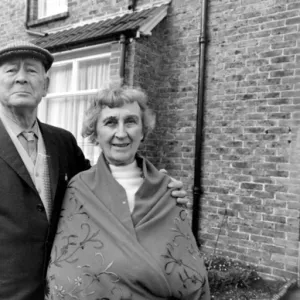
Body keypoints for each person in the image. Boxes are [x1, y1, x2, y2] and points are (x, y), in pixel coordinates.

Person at [0, 41, 187, 300]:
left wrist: (157, 185)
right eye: (11, 71)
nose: (21, 78)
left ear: (46, 85)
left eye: (31, 71)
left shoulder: (62, 142)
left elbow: (103, 184)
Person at [45, 85, 210, 300]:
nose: (121, 133)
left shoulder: (166, 190)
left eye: (131, 121)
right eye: (110, 122)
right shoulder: (78, 189)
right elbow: (67, 270)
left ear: (143, 131)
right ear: (96, 132)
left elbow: (189, 272)